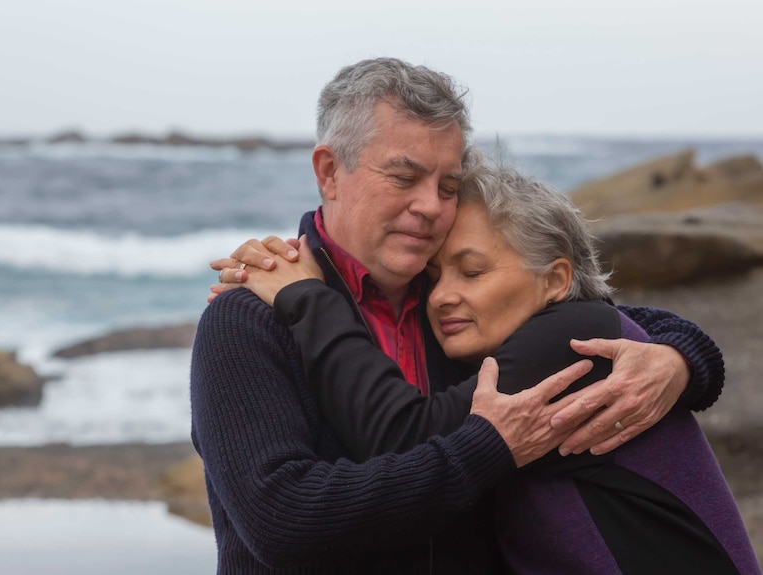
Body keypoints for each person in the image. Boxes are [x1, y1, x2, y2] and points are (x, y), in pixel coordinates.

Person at [192, 57, 724, 573]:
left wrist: (680, 359)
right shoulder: (250, 319)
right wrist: (492, 448)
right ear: (330, 172)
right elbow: (283, 521)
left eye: (448, 186)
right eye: (404, 178)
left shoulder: (451, 313)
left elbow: (596, 318)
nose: (431, 206)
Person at [233, 163, 758, 574]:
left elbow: (406, 436)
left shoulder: (573, 341)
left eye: (473, 270)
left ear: (554, 280)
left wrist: (306, 298)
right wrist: (683, 352)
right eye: (432, 278)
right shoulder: (526, 339)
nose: (441, 297)